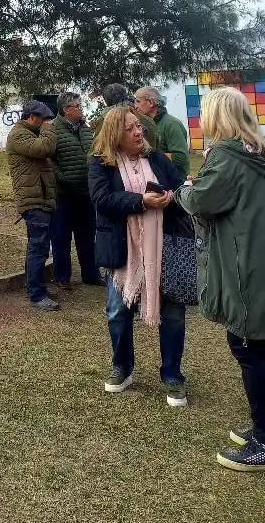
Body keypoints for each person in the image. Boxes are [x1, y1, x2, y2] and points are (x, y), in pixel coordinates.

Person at [175, 87, 265, 472]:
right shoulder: (255, 150)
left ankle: (263, 438)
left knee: (250, 347)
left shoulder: (226, 156)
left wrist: (185, 189)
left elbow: (202, 202)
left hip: (246, 267)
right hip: (258, 257)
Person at [89, 104, 192, 406]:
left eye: (139, 126)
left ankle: (172, 375)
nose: (138, 131)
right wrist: (141, 201)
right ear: (114, 134)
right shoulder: (100, 163)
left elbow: (177, 188)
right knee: (118, 312)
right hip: (123, 251)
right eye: (130, 128)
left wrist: (170, 196)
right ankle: (122, 368)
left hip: (165, 246)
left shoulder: (157, 158)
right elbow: (101, 199)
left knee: (173, 313)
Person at [6, 100, 59, 311]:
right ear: (31, 118)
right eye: (44, 119)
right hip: (32, 199)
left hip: (40, 198)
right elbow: (45, 148)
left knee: (38, 246)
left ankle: (35, 288)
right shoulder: (19, 135)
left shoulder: (29, 132)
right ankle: (37, 295)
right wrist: (48, 130)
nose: (48, 123)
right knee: (38, 248)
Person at [50, 91, 100, 289]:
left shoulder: (86, 130)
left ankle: (91, 274)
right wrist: (63, 178)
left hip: (86, 192)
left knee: (87, 236)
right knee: (61, 236)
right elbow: (48, 160)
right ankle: (62, 277)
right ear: (66, 110)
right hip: (64, 194)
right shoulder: (53, 130)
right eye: (77, 106)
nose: (81, 109)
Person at [135, 86, 189, 182]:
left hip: (174, 183)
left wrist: (151, 156)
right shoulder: (146, 124)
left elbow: (181, 158)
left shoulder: (171, 124)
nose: (135, 106)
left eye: (138, 101)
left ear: (151, 103)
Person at [94, 82, 159, 150]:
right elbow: (157, 146)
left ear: (107, 101)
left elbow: (97, 150)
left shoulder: (105, 122)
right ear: (125, 95)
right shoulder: (149, 120)